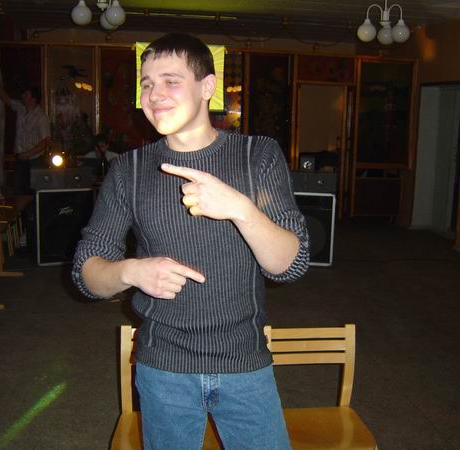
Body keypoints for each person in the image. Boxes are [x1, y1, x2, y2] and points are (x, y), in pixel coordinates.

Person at [72, 33, 309, 449]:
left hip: (245, 363)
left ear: (207, 87)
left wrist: (240, 209)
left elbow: (291, 264)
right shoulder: (129, 170)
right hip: (163, 368)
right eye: (147, 84)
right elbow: (86, 272)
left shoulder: (257, 155)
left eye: (171, 81)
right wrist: (132, 271)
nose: (154, 95)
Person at [0, 80, 50, 194]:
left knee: (34, 191)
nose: (23, 96)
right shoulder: (20, 108)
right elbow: (7, 100)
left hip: (35, 161)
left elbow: (46, 141)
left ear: (33, 99)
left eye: (26, 94)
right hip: (20, 159)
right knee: (19, 191)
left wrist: (27, 154)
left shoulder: (41, 117)